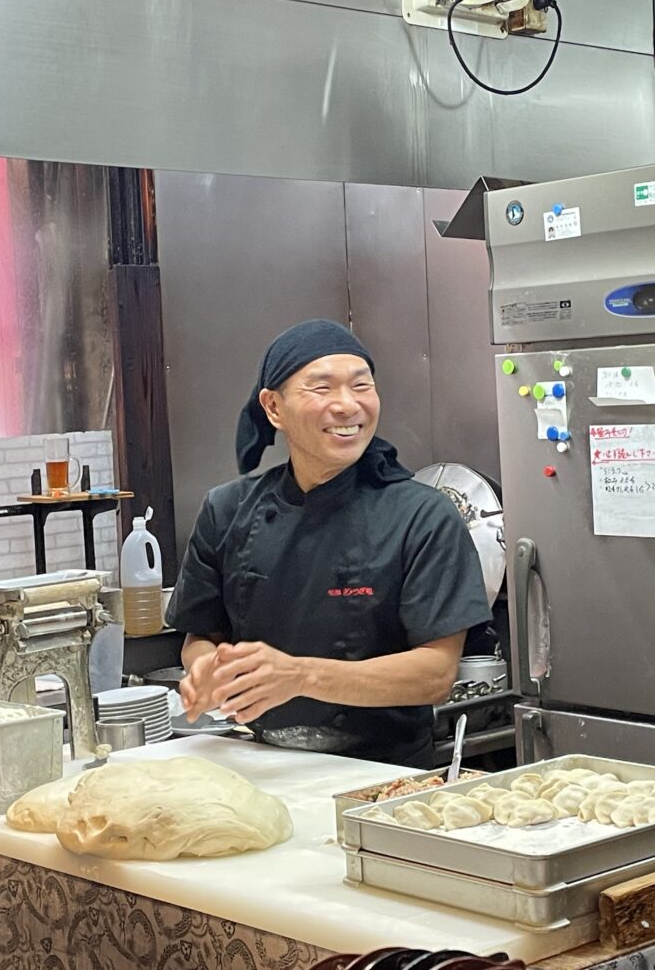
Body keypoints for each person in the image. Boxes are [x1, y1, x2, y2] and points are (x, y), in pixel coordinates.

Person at [166, 319, 492, 767]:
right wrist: (208, 669)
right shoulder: (227, 509)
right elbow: (201, 635)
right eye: (322, 389)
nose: (347, 405)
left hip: (385, 772)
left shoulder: (421, 515)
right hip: (261, 762)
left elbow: (434, 674)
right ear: (274, 408)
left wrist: (299, 676)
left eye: (362, 386)